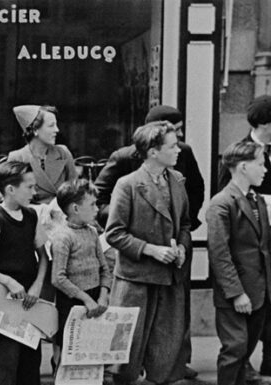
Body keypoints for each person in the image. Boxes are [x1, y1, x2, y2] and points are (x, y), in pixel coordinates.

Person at [92, 105, 204, 379]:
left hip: (170, 281)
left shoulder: (177, 180)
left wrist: (181, 247)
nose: (179, 150)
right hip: (136, 281)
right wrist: (150, 250)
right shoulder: (128, 185)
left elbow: (186, 224)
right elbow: (114, 232)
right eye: (172, 146)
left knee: (165, 356)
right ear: (153, 152)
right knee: (125, 359)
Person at [218, 95, 271, 382]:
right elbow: (226, 193)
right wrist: (267, 199)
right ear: (265, 122)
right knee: (252, 300)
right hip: (253, 236)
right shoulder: (239, 152)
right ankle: (244, 365)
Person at [207, 141, 271, 385]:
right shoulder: (222, 203)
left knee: (246, 348)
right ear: (242, 167)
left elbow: (266, 249)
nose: (265, 170)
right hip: (237, 294)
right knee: (235, 348)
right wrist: (236, 293)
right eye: (260, 164)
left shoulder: (257, 200)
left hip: (259, 291)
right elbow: (219, 254)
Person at [0, 161, 50, 385]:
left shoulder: (31, 216)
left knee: (30, 363)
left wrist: (37, 286)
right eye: (30, 187)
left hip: (30, 301)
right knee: (6, 364)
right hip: (3, 302)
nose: (35, 192)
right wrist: (8, 281)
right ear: (10, 189)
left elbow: (43, 257)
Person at [51, 179, 111, 366]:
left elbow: (104, 269)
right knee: (71, 354)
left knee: (93, 352)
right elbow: (58, 278)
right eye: (92, 204)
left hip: (96, 300)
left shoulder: (93, 232)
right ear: (75, 208)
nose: (97, 209)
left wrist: (103, 295)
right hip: (72, 302)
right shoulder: (63, 237)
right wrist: (86, 299)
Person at [7, 105, 78, 204]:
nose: (57, 130)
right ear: (35, 130)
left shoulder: (63, 153)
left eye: (56, 125)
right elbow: (13, 201)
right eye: (51, 125)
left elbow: (75, 192)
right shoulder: (17, 157)